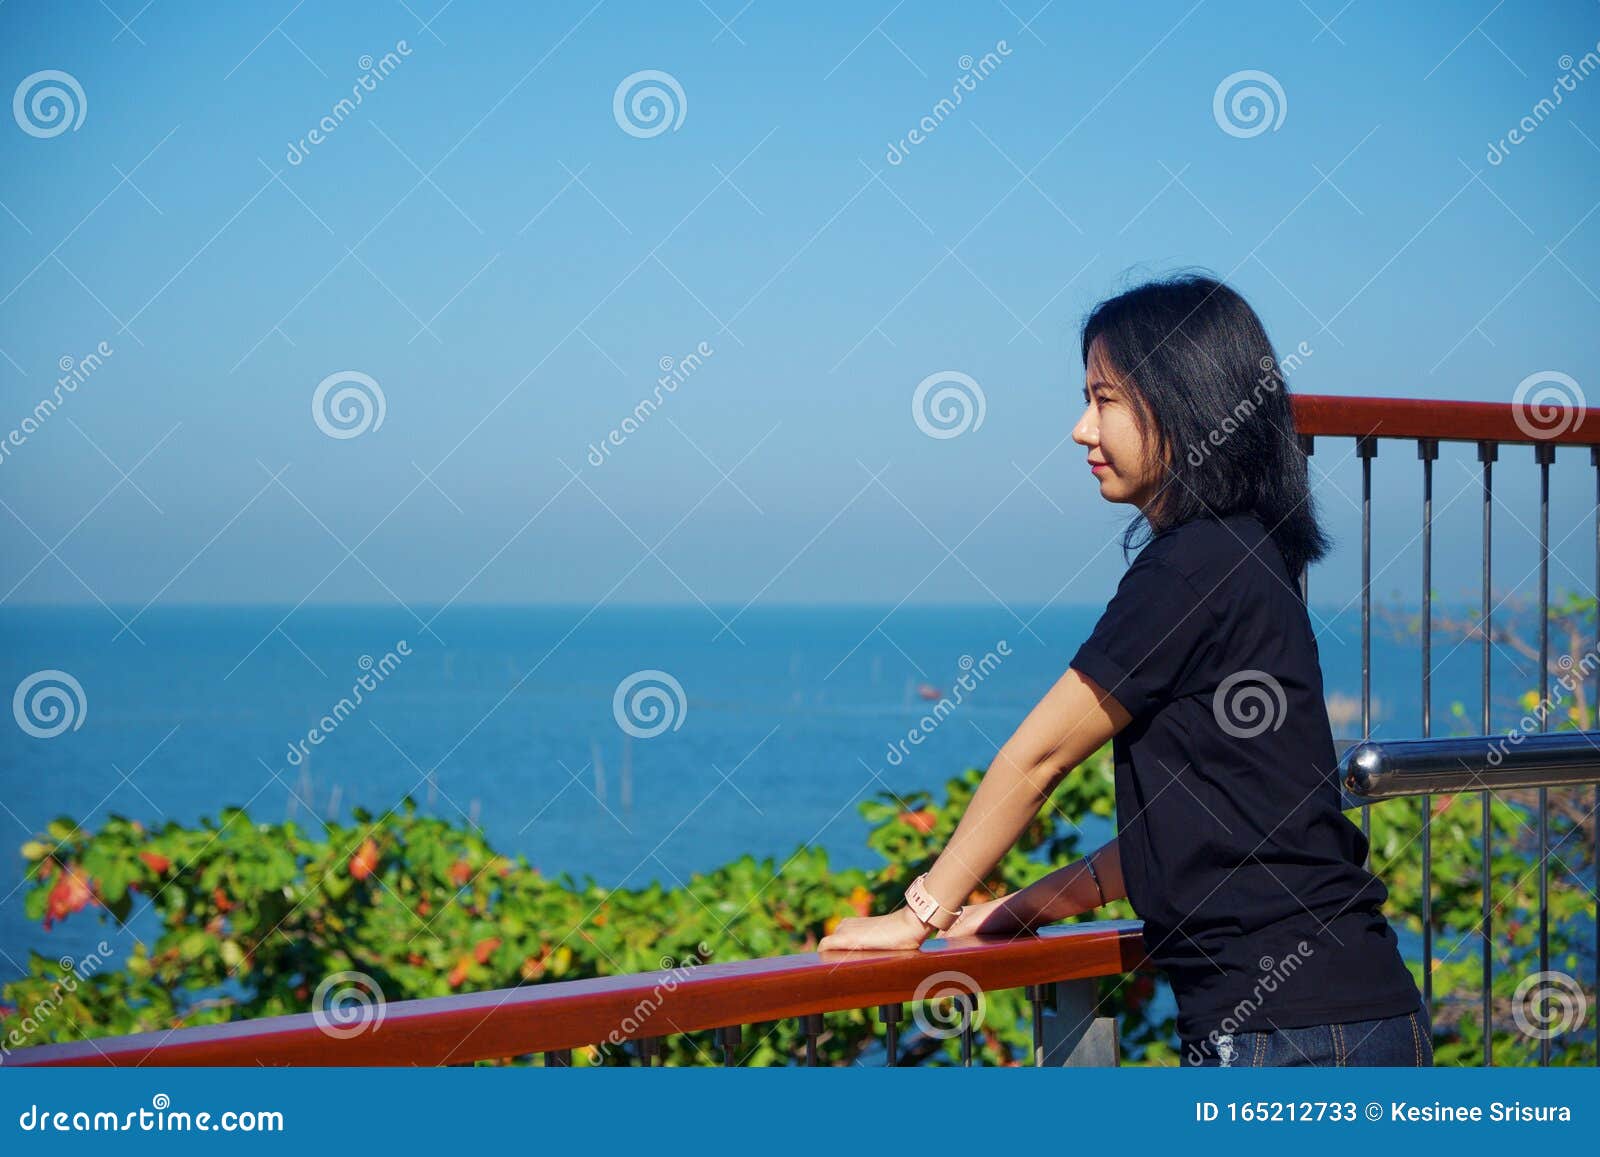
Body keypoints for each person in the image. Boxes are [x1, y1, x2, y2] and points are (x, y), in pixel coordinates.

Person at [816, 270, 1433, 1068]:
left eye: (1105, 399)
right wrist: (1020, 904)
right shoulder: (1248, 554)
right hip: (1359, 1016)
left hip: (1286, 1039)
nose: (1080, 428)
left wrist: (918, 915)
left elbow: (1037, 755)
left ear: (1186, 403)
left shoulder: (1193, 568)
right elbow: (1203, 827)